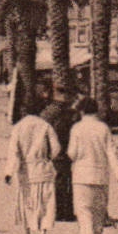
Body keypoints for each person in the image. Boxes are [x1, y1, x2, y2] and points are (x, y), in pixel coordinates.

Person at [67, 96, 118, 234]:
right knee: (100, 210)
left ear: (82, 111)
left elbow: (72, 154)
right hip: (101, 175)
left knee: (83, 210)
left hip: (81, 176)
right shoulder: (103, 128)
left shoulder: (77, 129)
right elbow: (111, 151)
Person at [5, 105, 62, 234]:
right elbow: (56, 148)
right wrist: (48, 158)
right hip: (44, 170)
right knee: (45, 206)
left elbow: (13, 152)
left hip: (26, 172)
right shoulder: (45, 126)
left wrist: (9, 172)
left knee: (26, 205)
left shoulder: (18, 127)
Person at [43, 91, 78, 224]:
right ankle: (65, 212)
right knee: (65, 182)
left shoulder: (47, 113)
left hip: (53, 152)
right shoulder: (67, 114)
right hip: (63, 152)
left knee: (57, 181)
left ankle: (58, 211)